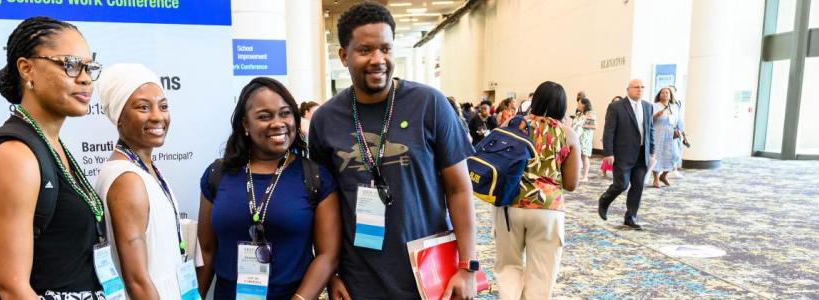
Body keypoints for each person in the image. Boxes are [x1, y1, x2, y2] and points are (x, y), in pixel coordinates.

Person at [309, 2, 479, 299]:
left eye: (386, 49)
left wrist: (468, 266)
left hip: (428, 272)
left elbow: (458, 189)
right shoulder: (325, 120)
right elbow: (326, 207)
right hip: (358, 278)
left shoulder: (430, 104)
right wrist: (331, 273)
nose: (378, 59)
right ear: (344, 56)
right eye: (365, 50)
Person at [0, 17, 108, 299]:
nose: (85, 78)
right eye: (71, 65)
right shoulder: (16, 155)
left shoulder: (48, 143)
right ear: (27, 69)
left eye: (89, 67)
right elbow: (12, 288)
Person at [198, 77, 342, 300]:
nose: (278, 123)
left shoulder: (314, 177)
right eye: (264, 116)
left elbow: (327, 254)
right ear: (245, 124)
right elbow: (206, 251)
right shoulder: (217, 175)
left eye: (285, 113)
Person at [93, 63, 191, 299]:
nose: (158, 116)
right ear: (119, 117)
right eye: (143, 107)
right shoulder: (128, 179)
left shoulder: (144, 169)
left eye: (163, 106)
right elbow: (136, 280)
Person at [492, 82, 581, 300]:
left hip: (509, 203)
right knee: (542, 274)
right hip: (547, 209)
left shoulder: (513, 124)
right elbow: (571, 183)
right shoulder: (567, 134)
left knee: (508, 267)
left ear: (535, 100)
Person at [598, 79, 655, 230]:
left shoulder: (648, 106)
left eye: (642, 87)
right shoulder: (616, 107)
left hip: (642, 154)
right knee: (621, 184)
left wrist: (652, 151)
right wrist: (608, 152)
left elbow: (650, 130)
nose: (640, 89)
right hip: (622, 153)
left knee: (638, 186)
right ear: (628, 89)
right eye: (636, 87)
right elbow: (609, 131)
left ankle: (631, 218)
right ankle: (604, 200)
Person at [650, 87, 682, 188]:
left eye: (667, 92)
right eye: (662, 93)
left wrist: (681, 133)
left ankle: (663, 175)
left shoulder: (674, 107)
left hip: (671, 134)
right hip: (658, 133)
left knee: (675, 155)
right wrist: (656, 115)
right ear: (659, 95)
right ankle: (655, 179)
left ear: (670, 95)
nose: (665, 94)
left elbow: (678, 121)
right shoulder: (654, 106)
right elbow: (648, 120)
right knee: (657, 156)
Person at [571, 94, 597, 180]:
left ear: (584, 104)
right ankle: (577, 174)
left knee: (584, 156)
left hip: (585, 138)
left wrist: (582, 125)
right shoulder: (579, 114)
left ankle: (585, 176)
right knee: (577, 156)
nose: (578, 105)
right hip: (577, 137)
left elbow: (594, 126)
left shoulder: (589, 114)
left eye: (579, 103)